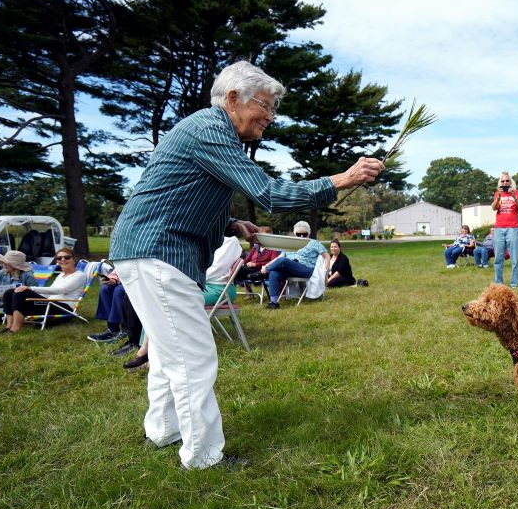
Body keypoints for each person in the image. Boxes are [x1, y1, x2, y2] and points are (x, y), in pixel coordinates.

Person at [109, 60, 384, 470]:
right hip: (159, 252)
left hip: (148, 248)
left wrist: (231, 223)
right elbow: (269, 192)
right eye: (266, 106)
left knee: (170, 353)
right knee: (193, 357)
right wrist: (342, 179)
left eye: (274, 109)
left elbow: (176, 194)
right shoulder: (209, 129)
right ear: (233, 98)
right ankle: (203, 457)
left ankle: (163, 431)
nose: (270, 117)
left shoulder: (206, 131)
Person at [0, 248, 87, 334]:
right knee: (10, 292)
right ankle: (8, 326)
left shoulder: (79, 275)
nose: (63, 259)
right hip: (49, 304)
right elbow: (48, 293)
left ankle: (15, 329)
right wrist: (33, 295)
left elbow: (61, 290)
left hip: (63, 308)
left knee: (21, 293)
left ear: (74, 260)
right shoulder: (60, 275)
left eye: (67, 257)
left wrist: (31, 288)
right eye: (59, 258)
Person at [260, 221, 329, 309]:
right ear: (295, 233)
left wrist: (326, 271)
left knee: (284, 261)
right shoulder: (290, 243)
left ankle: (260, 274)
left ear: (309, 233)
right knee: (274, 272)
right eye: (298, 234)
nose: (301, 236)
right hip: (290, 268)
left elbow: (326, 256)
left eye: (304, 234)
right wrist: (266, 266)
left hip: (306, 269)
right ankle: (274, 302)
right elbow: (278, 258)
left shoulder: (314, 243)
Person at [491, 171, 518, 287]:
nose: (505, 183)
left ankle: (514, 283)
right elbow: (494, 208)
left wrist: (514, 197)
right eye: (503, 181)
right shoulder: (497, 193)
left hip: (513, 229)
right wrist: (499, 196)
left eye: (507, 181)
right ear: (500, 183)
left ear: (511, 182)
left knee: (514, 259)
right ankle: (498, 284)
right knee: (498, 258)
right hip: (499, 229)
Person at [88, 268, 128, 344]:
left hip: (137, 282)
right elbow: (117, 270)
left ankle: (126, 329)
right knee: (105, 289)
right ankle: (113, 329)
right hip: (122, 280)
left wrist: (117, 280)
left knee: (119, 290)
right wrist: (112, 279)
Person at [203, 235, 242, 306]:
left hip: (219, 289)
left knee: (180, 298)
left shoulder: (229, 240)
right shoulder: (209, 237)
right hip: (205, 286)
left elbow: (215, 270)